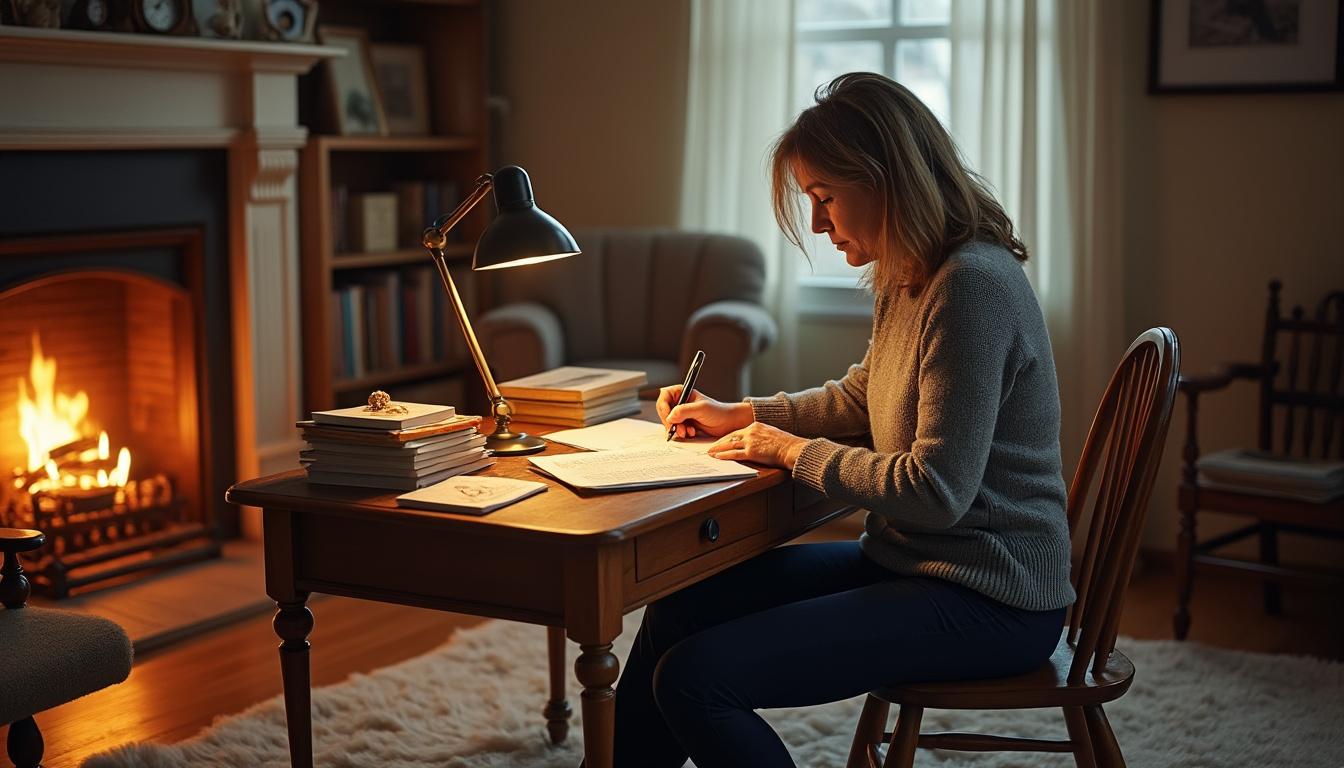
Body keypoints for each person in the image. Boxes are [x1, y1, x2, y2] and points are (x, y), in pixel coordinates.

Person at [609, 72, 1076, 768]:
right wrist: (743, 414)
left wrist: (787, 449)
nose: (818, 223)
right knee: (678, 608)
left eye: (824, 198)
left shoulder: (970, 286)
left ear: (885, 180)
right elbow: (864, 396)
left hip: (991, 594)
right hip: (913, 561)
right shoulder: (911, 271)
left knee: (696, 680)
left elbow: (937, 492)